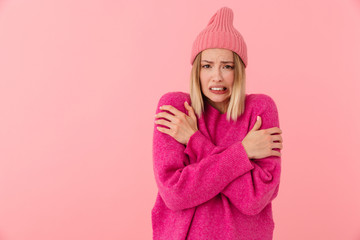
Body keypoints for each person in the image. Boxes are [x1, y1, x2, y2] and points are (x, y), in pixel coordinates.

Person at [151, 6, 283, 240]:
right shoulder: (176, 110)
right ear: (197, 71)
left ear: (239, 71)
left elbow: (254, 200)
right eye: (207, 65)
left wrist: (194, 141)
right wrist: (243, 153)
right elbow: (175, 195)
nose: (217, 76)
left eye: (227, 66)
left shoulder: (260, 110)